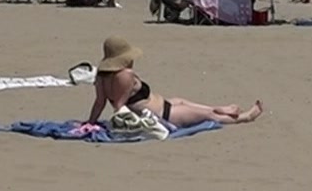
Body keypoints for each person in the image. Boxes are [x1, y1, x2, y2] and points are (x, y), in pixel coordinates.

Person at [88, 36, 263, 128]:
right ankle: (244, 117)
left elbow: (99, 103)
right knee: (208, 117)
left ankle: (220, 108)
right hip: (161, 115)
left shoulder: (101, 76)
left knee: (180, 100)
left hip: (161, 106)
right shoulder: (125, 75)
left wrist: (91, 123)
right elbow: (120, 105)